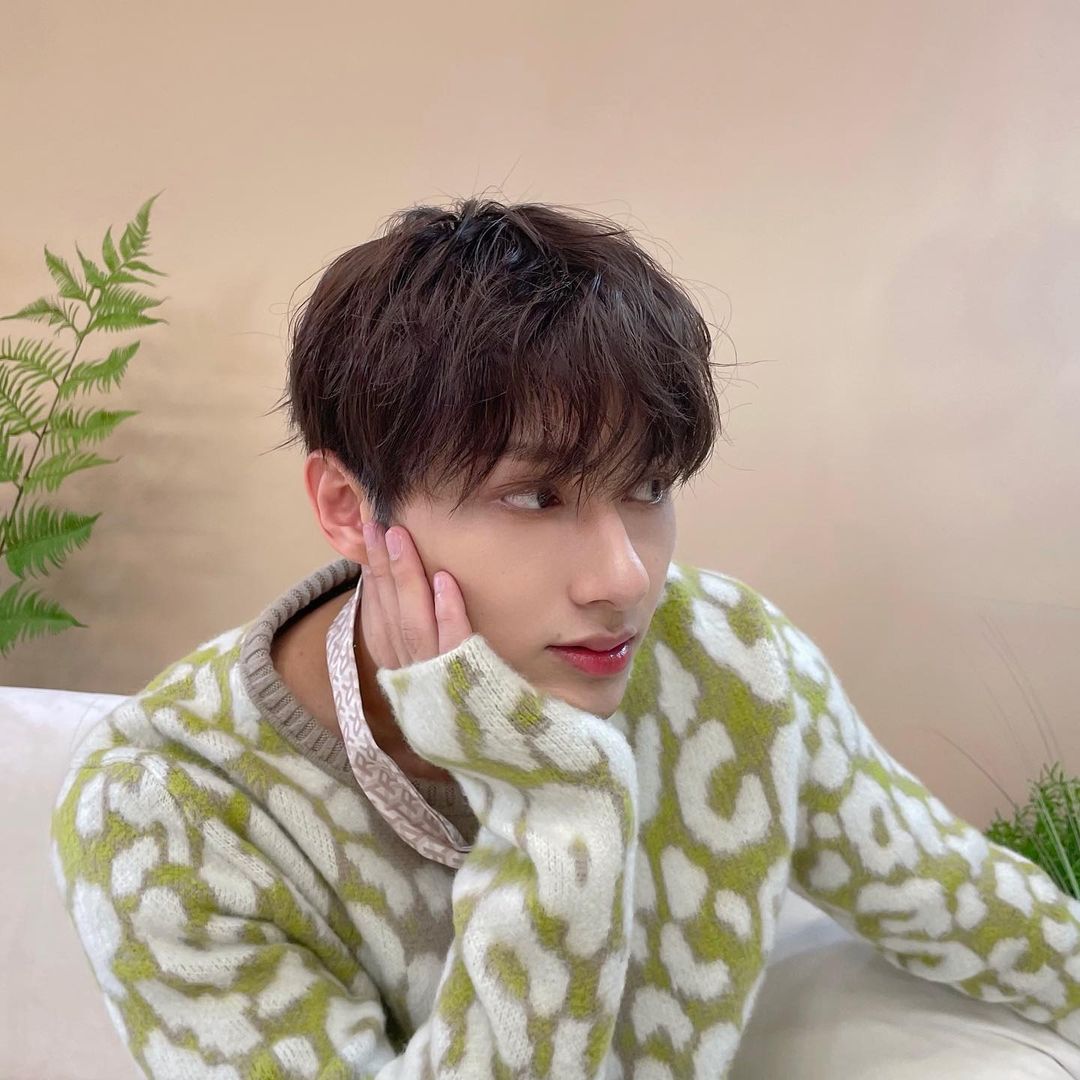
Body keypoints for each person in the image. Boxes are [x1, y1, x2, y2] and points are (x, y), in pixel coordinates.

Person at [50, 197, 1080, 1080]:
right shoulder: (164, 809)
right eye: (535, 496)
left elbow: (980, 916)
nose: (625, 578)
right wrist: (553, 809)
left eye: (649, 487)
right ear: (348, 508)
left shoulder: (726, 662)